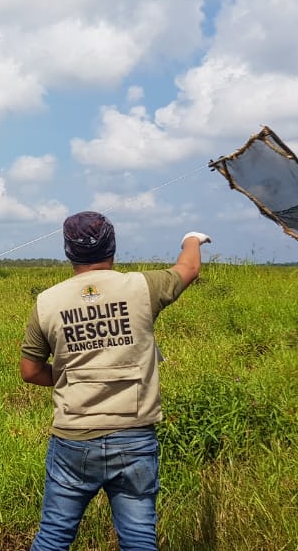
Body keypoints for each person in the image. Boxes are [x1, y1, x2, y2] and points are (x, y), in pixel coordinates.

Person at [20, 211, 208, 551]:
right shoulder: (141, 286)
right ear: (113, 247)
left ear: (69, 251)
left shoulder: (47, 302)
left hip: (72, 439)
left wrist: (69, 377)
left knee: (53, 538)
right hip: (134, 437)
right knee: (138, 540)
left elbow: (30, 371)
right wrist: (192, 239)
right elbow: (189, 269)